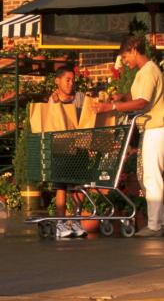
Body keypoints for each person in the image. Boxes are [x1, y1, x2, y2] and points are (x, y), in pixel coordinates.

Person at [92, 34, 164, 236]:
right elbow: (137, 96)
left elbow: (142, 102)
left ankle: (155, 226)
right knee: (147, 176)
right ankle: (158, 222)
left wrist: (112, 106)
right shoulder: (144, 72)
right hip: (151, 128)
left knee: (151, 177)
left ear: (133, 49)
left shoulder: (149, 70)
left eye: (125, 57)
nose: (124, 61)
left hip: (156, 128)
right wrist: (124, 97)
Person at [48, 67, 87, 238]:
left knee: (78, 187)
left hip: (79, 147)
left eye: (73, 80)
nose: (71, 83)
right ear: (58, 80)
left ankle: (76, 220)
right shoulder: (53, 100)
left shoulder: (80, 98)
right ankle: (60, 222)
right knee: (61, 187)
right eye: (67, 80)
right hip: (61, 149)